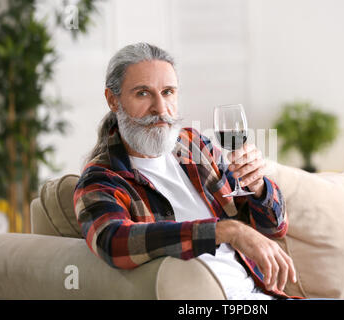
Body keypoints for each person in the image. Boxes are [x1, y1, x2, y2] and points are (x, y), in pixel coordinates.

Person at [73, 42, 299, 300]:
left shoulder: (195, 147)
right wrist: (223, 231)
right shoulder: (102, 179)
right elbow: (113, 241)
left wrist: (258, 186)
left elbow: (274, 228)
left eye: (168, 92)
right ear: (113, 100)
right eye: (143, 94)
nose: (160, 108)